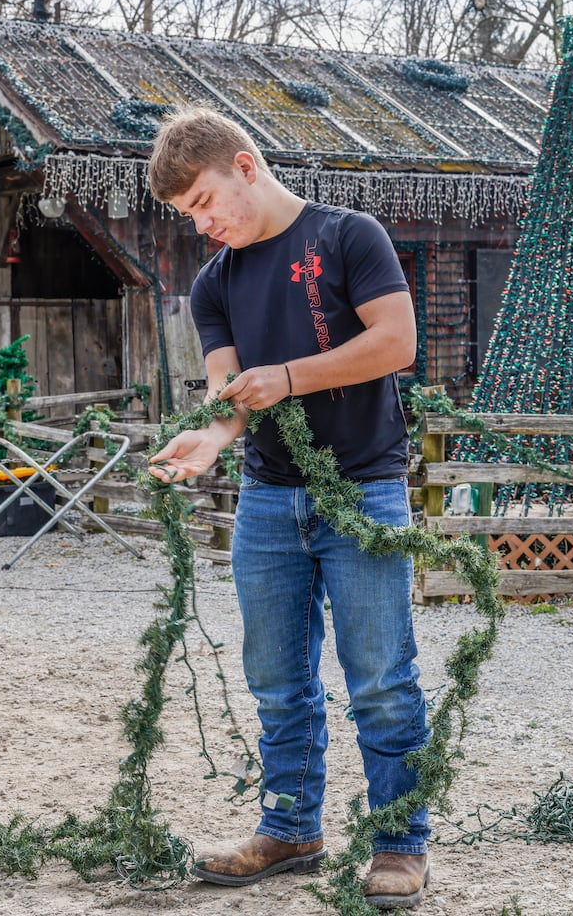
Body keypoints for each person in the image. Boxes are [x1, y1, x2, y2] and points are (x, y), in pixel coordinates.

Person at [145, 107, 431, 910]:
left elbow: (397, 343)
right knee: (276, 679)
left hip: (365, 490)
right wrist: (206, 442)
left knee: (379, 677)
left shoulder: (348, 237)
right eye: (187, 216)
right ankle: (290, 829)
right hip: (269, 499)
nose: (203, 225)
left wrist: (293, 377)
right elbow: (229, 396)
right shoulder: (215, 283)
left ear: (244, 167)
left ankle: (401, 844)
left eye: (204, 202)